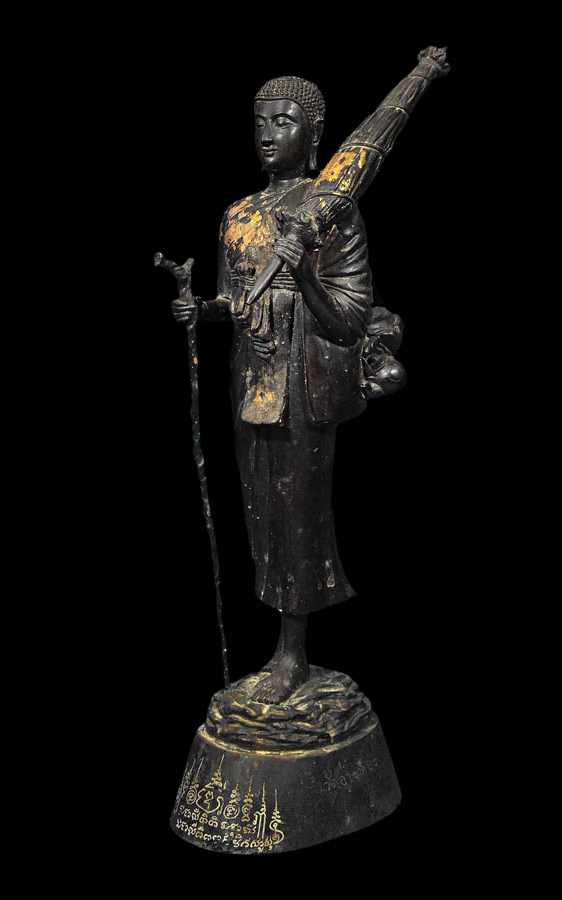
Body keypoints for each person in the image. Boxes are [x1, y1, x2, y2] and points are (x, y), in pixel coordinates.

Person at [171, 59, 445, 703]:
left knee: (297, 513)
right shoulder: (239, 214)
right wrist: (200, 308)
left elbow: (349, 320)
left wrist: (305, 277)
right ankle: (279, 646)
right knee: (259, 510)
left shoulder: (333, 212)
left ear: (314, 134)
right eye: (260, 121)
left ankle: (292, 652)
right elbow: (237, 300)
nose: (269, 133)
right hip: (250, 380)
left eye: (284, 121)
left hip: (302, 382)